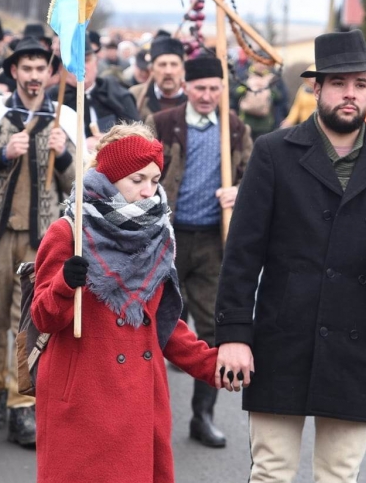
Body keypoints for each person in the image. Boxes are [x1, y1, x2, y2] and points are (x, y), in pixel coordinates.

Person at [215, 29, 366, 483]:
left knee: (338, 476)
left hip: (355, 347)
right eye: (339, 84)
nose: (351, 95)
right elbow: (242, 255)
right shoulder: (274, 152)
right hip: (280, 340)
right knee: (270, 472)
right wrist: (234, 334)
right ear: (317, 88)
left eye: (361, 84)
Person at [30, 124, 220, 483]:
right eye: (137, 179)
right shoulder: (69, 233)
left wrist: (212, 364)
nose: (148, 191)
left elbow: (161, 323)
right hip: (83, 395)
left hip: (139, 395)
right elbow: (43, 317)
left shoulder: (159, 233)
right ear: (111, 176)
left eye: (155, 179)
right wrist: (64, 285)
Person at [0, 36, 76, 448]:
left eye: (41, 69)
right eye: (26, 69)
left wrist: (64, 155)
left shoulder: (64, 115)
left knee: (27, 323)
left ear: (50, 74)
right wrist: (0, 154)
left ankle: (20, 405)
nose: (34, 77)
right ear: (13, 71)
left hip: (42, 239)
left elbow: (80, 183)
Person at [145, 54, 251, 448]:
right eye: (200, 88)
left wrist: (239, 192)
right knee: (157, 325)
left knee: (212, 329)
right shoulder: (163, 123)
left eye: (214, 89)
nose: (207, 96)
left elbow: (254, 179)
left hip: (211, 241)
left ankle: (202, 416)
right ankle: (146, 415)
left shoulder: (236, 131)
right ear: (187, 87)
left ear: (223, 90)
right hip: (164, 238)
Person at [50, 40, 139, 151]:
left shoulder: (117, 94)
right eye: (74, 62)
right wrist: (81, 146)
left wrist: (111, 141)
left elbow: (138, 138)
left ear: (96, 63)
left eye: (86, 61)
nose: (81, 67)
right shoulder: (53, 100)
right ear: (61, 68)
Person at [131, 35, 187, 120]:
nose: (168, 71)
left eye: (174, 64)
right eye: (162, 65)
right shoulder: (135, 95)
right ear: (152, 69)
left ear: (183, 69)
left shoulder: (193, 96)